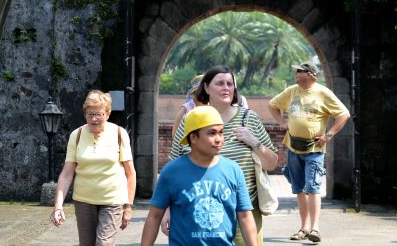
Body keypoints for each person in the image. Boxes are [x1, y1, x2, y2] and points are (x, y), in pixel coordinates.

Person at [167, 65, 278, 246]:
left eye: (230, 84)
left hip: (244, 212)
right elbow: (173, 166)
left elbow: (272, 163)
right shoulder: (191, 120)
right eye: (219, 83)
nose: (226, 88)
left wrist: (254, 142)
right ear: (206, 87)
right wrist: (167, 209)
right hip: (198, 210)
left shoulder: (249, 119)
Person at [142, 106, 259, 246]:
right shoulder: (171, 171)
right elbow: (154, 217)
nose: (219, 139)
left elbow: (245, 216)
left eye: (221, 132)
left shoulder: (233, 170)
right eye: (212, 133)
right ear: (193, 137)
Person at [268, 61, 350, 243]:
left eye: (300, 71)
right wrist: (281, 122)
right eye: (296, 71)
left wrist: (328, 135)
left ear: (311, 74)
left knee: (312, 188)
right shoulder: (291, 91)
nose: (296, 74)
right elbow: (272, 105)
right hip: (293, 147)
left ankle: (315, 228)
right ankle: (304, 228)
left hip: (314, 149)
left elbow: (343, 114)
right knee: (299, 189)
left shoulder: (323, 93)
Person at [51, 90, 137, 246]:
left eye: (98, 114)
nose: (94, 119)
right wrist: (58, 206)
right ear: (85, 115)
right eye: (90, 114)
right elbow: (67, 174)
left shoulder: (119, 133)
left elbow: (130, 174)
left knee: (103, 243)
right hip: (83, 200)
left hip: (112, 200)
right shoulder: (76, 135)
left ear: (107, 114)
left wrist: (128, 206)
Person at [170, 73, 251, 142]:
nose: (201, 94)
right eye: (198, 92)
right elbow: (176, 136)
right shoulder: (186, 108)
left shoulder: (215, 107)